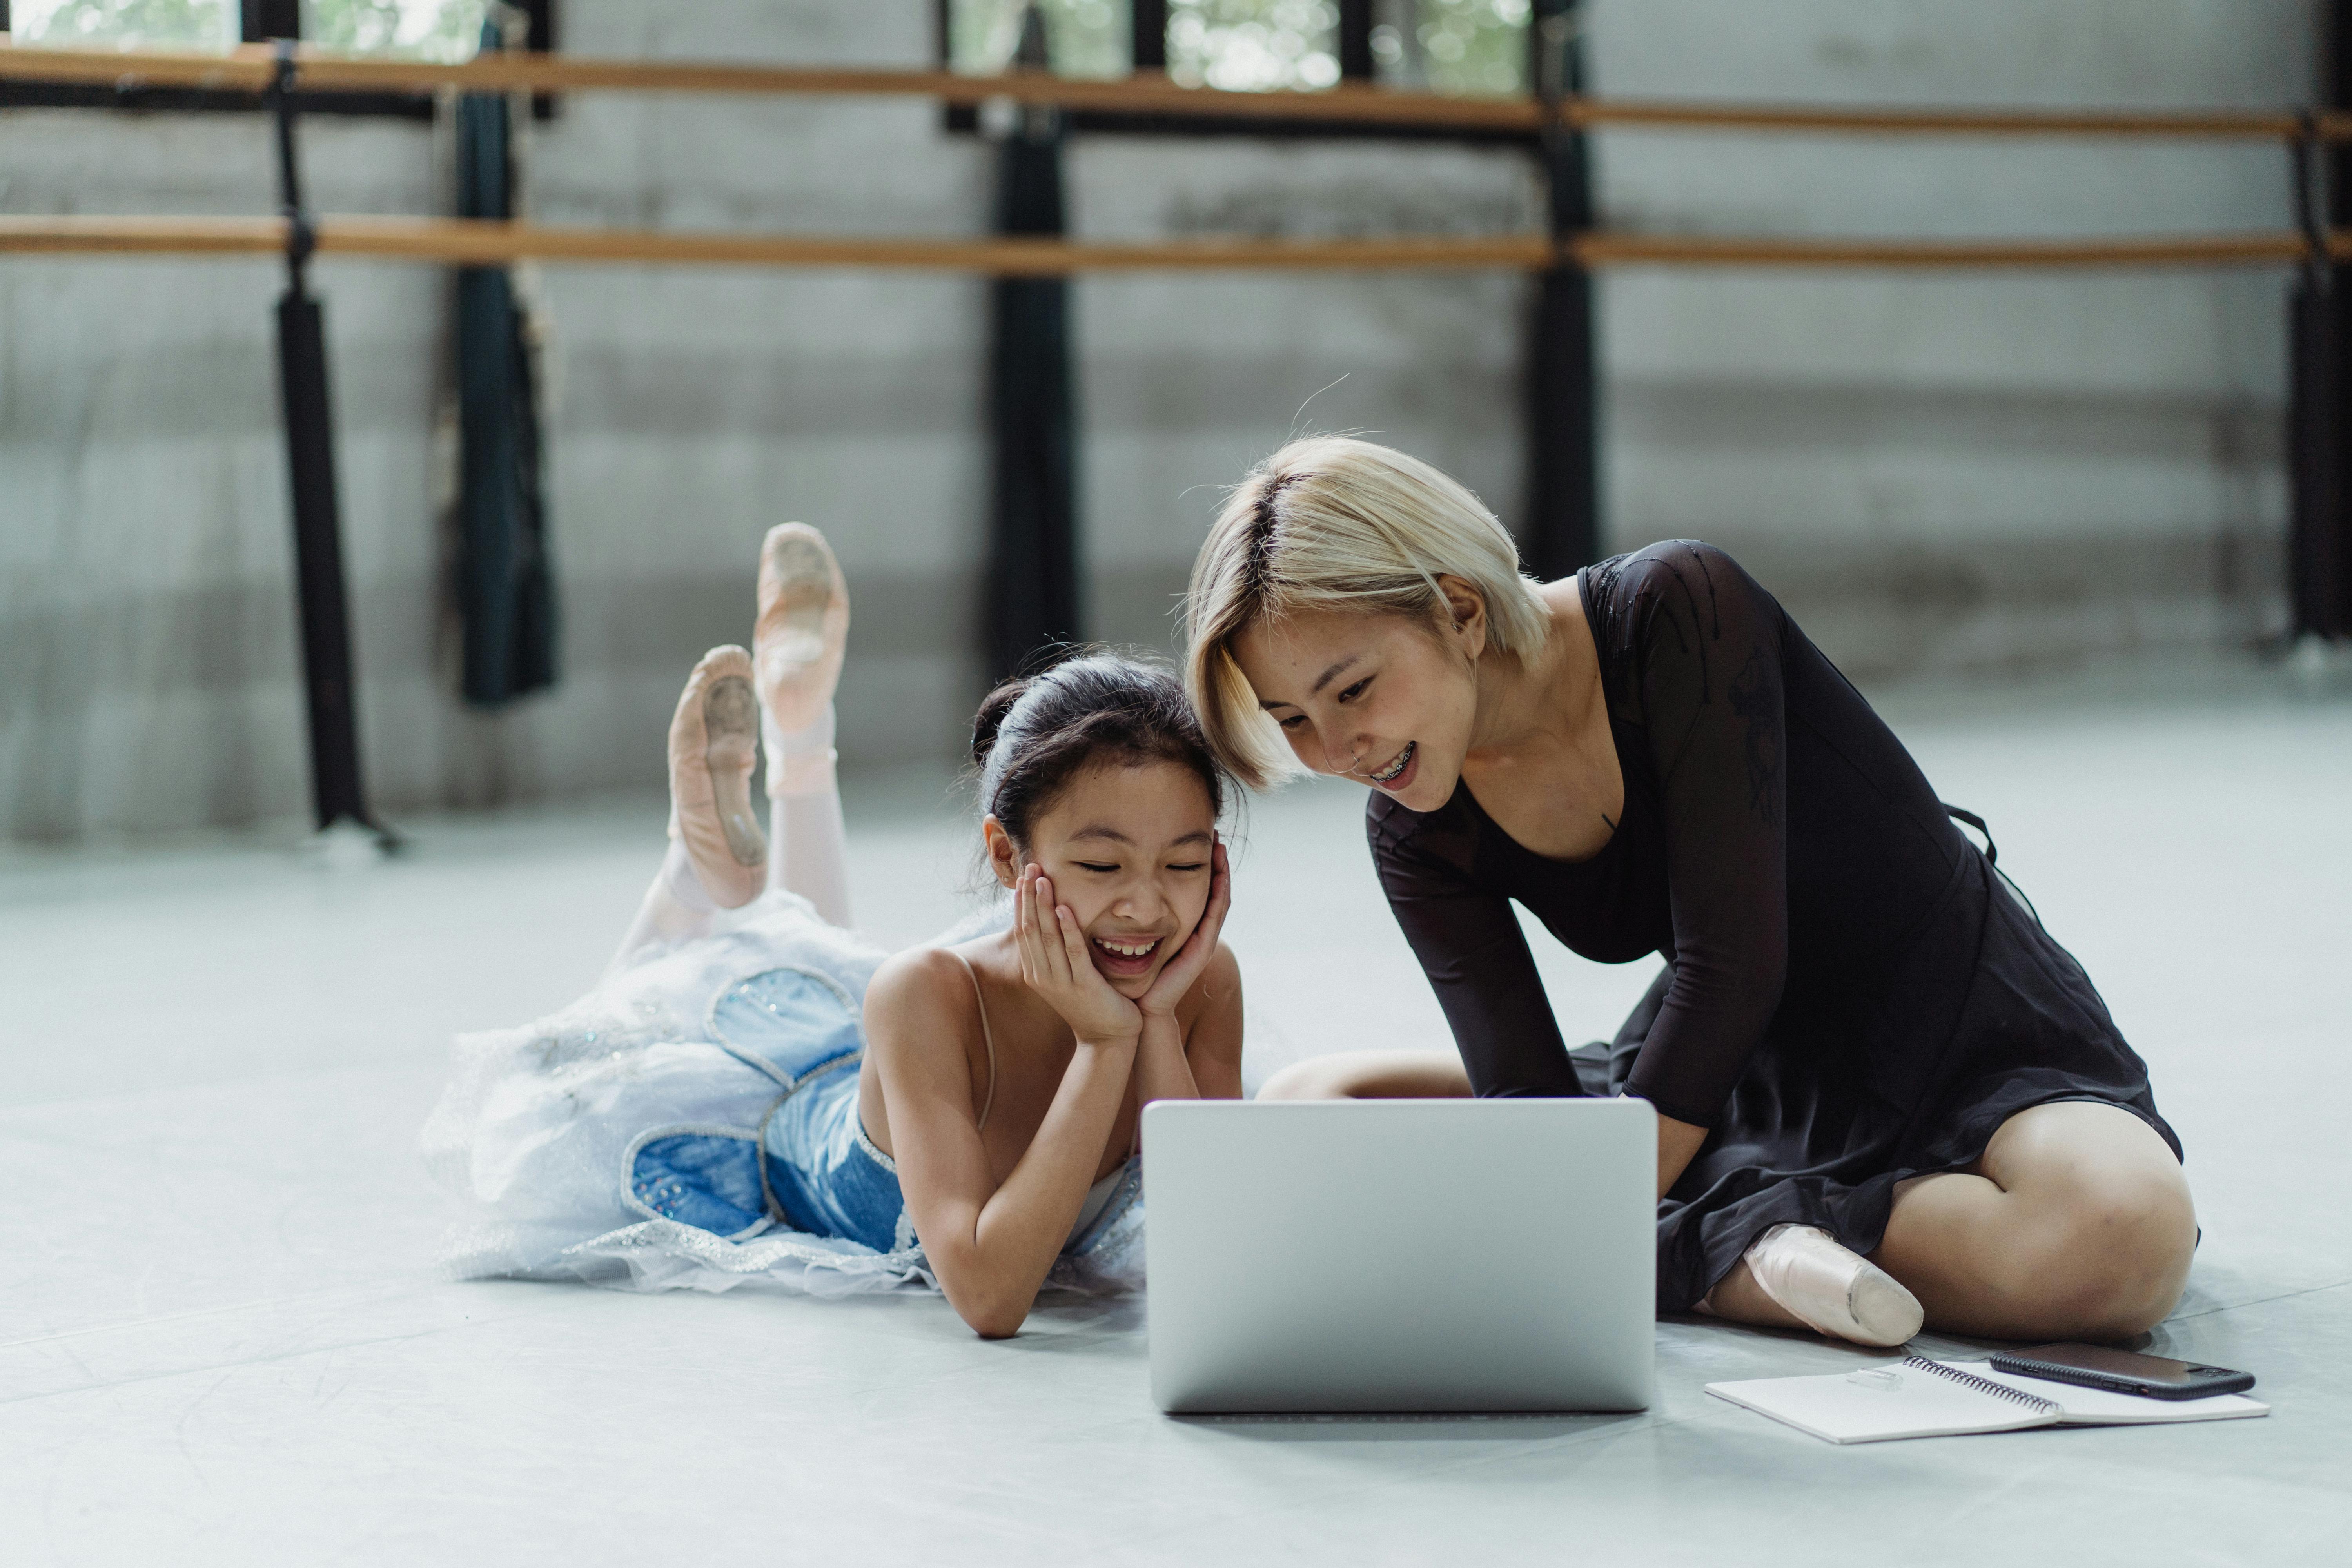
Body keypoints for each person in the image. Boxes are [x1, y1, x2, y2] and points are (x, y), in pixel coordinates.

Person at [1181, 437, 2196, 1349]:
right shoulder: (1412, 824)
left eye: (1352, 689)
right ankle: (1736, 1247)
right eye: (1293, 722)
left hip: (1955, 1021)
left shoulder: (1679, 606)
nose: (1339, 749)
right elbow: (1525, 1102)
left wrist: (1568, 1229)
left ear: (1459, 609)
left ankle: (1717, 1257)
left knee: (2122, 1236)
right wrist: (1562, 1189)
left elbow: (1734, 966)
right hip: (1732, 1076)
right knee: (1309, 1101)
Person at [425, 527, 1241, 1338]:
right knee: (601, 1044)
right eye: (1102, 867)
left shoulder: (1200, 985)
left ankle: (796, 727)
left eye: (1182, 864)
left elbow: (1213, 1256)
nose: (1147, 908)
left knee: (813, 961)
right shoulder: (928, 993)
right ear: (1005, 855)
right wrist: (1106, 1045)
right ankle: (705, 856)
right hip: (785, 1140)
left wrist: (1159, 1023)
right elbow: (991, 1299)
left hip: (890, 1064)